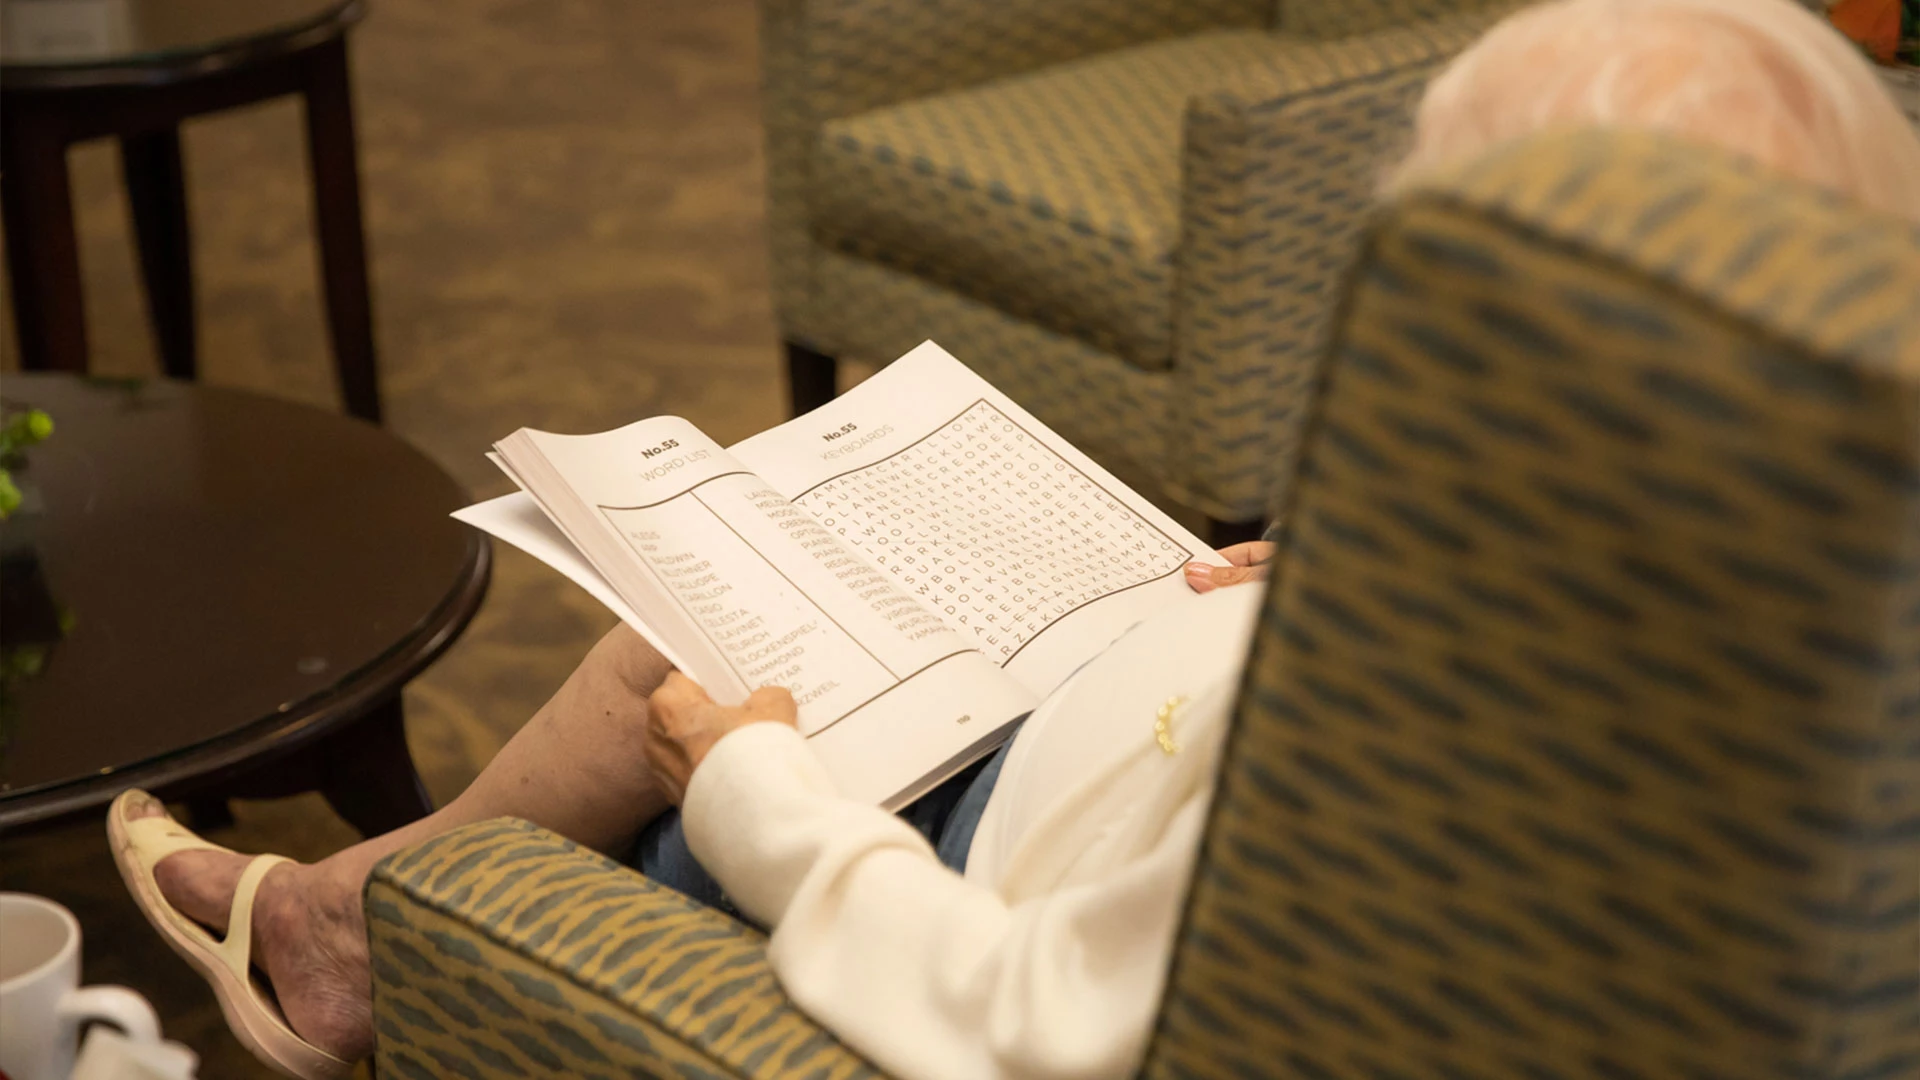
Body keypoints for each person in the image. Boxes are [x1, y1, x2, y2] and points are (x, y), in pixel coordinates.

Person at [110, 1, 1920, 1077]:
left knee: (700, 638)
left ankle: (366, 927)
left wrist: (754, 796)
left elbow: (1032, 1028)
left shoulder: (1403, 784)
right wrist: (1341, 581)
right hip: (1143, 701)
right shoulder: (1773, 650)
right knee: (752, 563)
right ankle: (362, 904)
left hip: (952, 847)